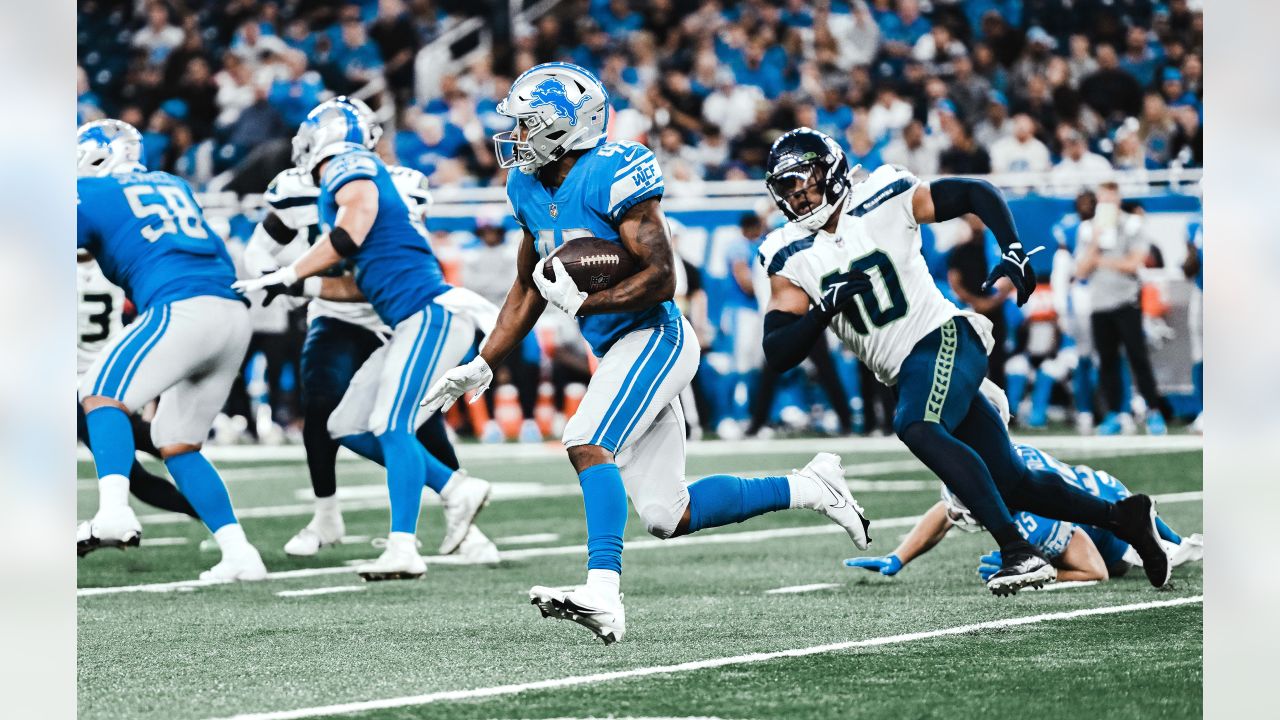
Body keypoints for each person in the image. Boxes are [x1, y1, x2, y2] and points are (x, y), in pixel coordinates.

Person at [421, 63, 871, 645]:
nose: (516, 134)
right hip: (617, 348)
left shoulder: (612, 170)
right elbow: (529, 283)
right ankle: (814, 487)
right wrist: (485, 361)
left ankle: (603, 591)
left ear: (566, 127)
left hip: (658, 336)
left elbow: (664, 276)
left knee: (587, 440)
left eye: (529, 123)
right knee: (667, 514)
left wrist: (590, 298)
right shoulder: (525, 186)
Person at [757, 127, 1171, 596]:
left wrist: (1012, 247)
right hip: (908, 371)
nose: (796, 195)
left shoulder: (882, 196)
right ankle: (1125, 517)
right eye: (786, 187)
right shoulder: (787, 253)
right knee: (1015, 484)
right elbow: (779, 351)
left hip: (945, 337)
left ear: (830, 170)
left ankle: (1019, 551)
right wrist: (821, 310)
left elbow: (975, 192)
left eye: (803, 180)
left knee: (916, 425)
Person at [234, 99, 494, 581]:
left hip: (427, 314)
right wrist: (287, 279)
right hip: (401, 318)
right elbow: (347, 268)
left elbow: (355, 222)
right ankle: (455, 488)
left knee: (394, 424)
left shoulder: (350, 163)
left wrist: (290, 272)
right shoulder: (325, 180)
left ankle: (403, 546)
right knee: (347, 424)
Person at [76, 119, 265, 581]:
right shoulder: (172, 184)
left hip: (182, 306)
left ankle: (115, 513)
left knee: (99, 394)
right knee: (175, 442)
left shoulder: (91, 191)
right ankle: (240, 553)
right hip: (232, 314)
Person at [76, 250, 198, 527]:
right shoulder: (114, 265)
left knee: (132, 473)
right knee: (165, 445)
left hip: (85, 391)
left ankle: (208, 513)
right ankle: (212, 512)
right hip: (116, 378)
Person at [1074, 182, 1167, 435]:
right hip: (1099, 303)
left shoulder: (1131, 225)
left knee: (1138, 358)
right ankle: (1115, 413)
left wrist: (1099, 260)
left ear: (1118, 201)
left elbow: (1133, 263)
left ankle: (1153, 410)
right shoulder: (1087, 230)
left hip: (1126, 301)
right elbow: (1080, 270)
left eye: (1111, 200)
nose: (1107, 205)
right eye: (1102, 200)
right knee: (1107, 361)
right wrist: (1095, 243)